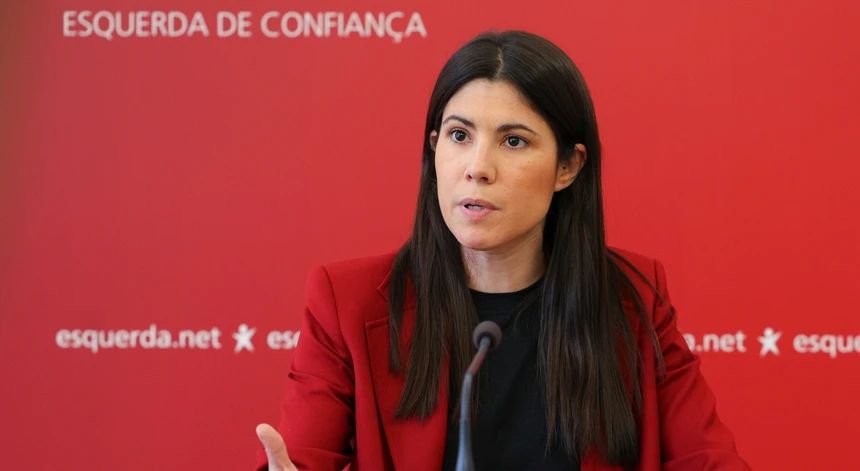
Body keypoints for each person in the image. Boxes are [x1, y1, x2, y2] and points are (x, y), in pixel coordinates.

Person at [254, 30, 751, 471]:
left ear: (567, 167)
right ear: (434, 149)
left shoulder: (633, 301)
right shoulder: (348, 303)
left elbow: (708, 460)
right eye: (459, 135)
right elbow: (298, 460)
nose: (478, 167)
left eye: (513, 141)